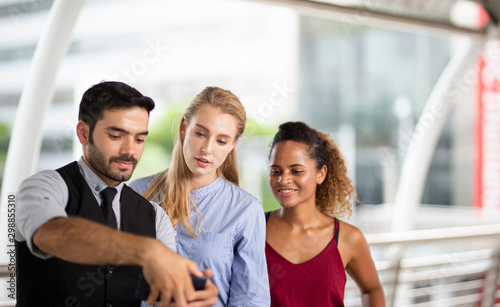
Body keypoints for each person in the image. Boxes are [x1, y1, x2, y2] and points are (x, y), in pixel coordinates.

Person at [15, 81, 218, 307]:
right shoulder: (44, 186)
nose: (130, 150)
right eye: (116, 136)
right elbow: (50, 234)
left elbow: (164, 293)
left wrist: (189, 295)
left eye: (140, 139)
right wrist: (146, 250)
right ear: (83, 132)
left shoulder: (154, 217)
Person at [130, 86, 270, 307]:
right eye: (201, 133)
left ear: (232, 145)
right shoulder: (138, 193)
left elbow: (251, 301)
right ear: (185, 128)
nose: (207, 148)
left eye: (221, 141)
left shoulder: (246, 210)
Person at [265, 121, 385, 307]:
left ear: (320, 174)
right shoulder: (252, 228)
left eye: (296, 171)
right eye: (276, 171)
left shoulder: (349, 238)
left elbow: (372, 289)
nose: (284, 179)